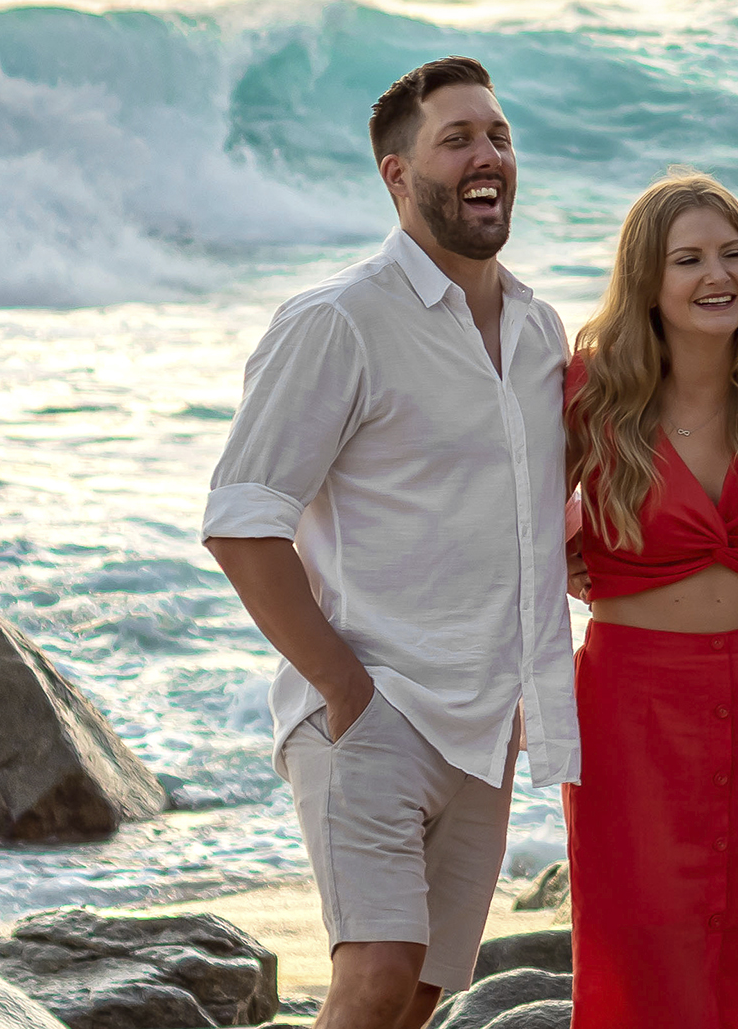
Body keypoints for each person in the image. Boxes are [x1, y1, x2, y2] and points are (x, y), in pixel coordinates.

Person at [202, 57, 574, 1029]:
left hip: (486, 723)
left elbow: (537, 521)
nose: (487, 155)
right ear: (397, 175)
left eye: (498, 135)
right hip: (372, 710)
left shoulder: (540, 331)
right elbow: (242, 520)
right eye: (457, 139)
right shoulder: (338, 322)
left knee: (415, 996)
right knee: (373, 975)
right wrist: (345, 688)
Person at [560, 170, 738, 1027]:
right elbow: (499, 517)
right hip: (628, 706)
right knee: (638, 938)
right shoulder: (587, 391)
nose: (719, 276)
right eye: (689, 260)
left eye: (734, 252)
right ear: (647, 280)